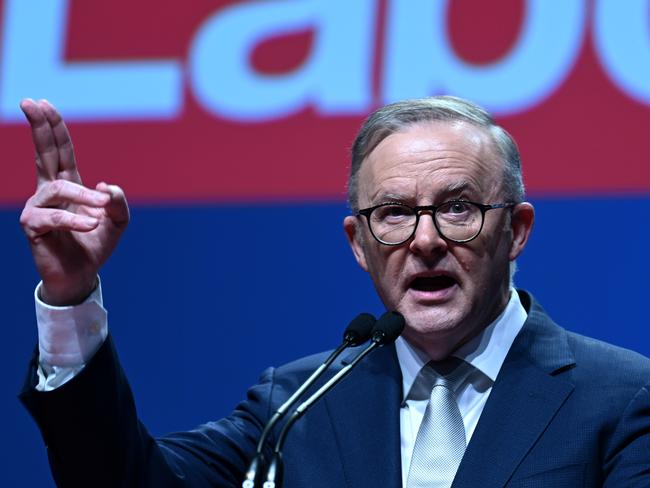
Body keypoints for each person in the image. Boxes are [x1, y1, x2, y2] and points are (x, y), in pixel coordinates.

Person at [18, 96, 650, 487]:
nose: (424, 240)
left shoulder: (620, 399)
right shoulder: (296, 407)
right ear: (358, 243)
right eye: (394, 213)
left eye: (457, 208)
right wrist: (71, 294)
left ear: (515, 230)